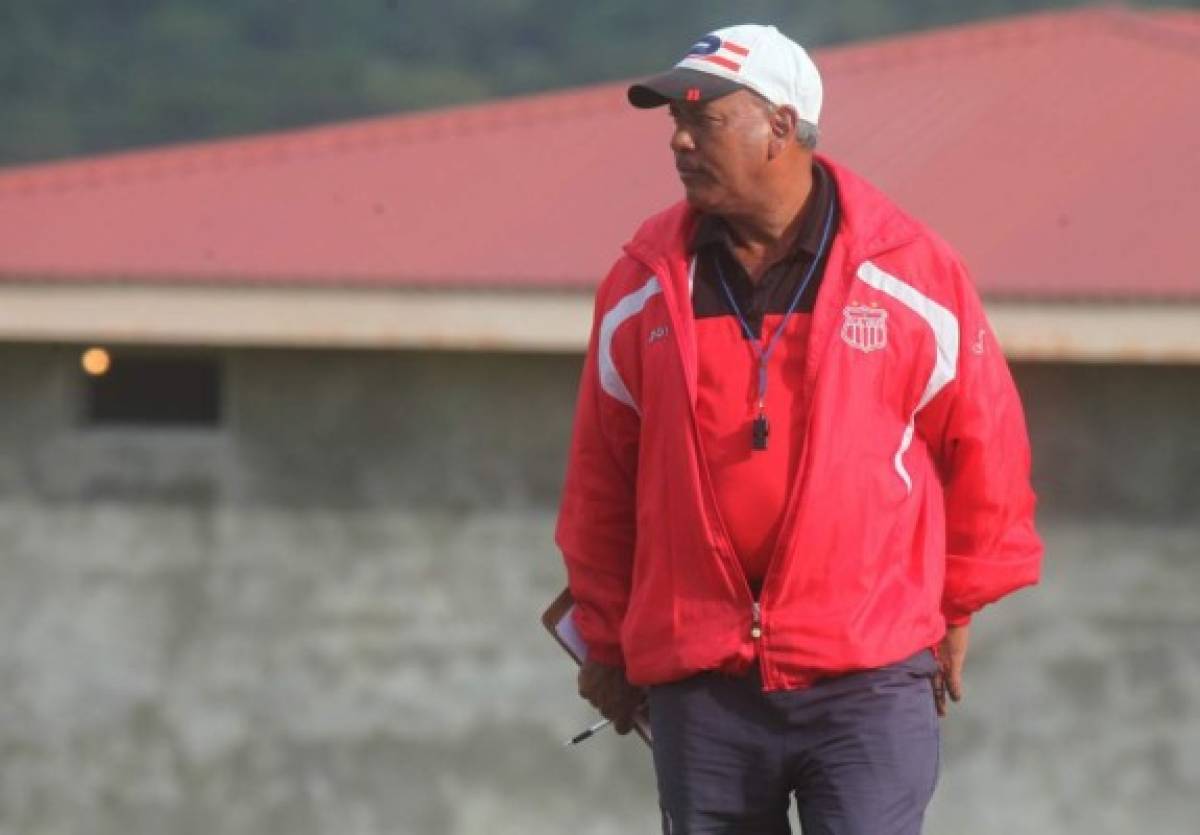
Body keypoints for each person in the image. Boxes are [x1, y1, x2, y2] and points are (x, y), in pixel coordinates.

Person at [556, 23, 1043, 835]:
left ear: (781, 126)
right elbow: (601, 479)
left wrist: (954, 609)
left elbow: (985, 451)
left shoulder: (911, 272)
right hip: (702, 683)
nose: (678, 139)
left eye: (703, 118)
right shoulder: (641, 286)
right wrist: (604, 636)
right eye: (674, 118)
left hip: (868, 677)